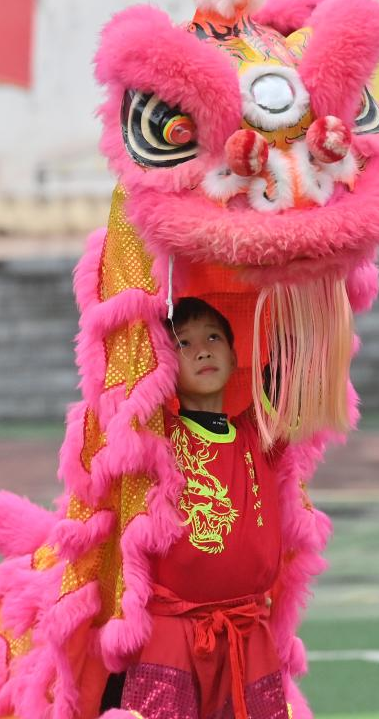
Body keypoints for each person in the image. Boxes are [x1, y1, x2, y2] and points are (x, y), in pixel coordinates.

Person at [117, 296, 290, 719]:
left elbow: (296, 363)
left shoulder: (259, 436)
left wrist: (297, 283)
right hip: (171, 635)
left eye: (214, 337)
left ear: (235, 356)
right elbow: (123, 376)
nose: (203, 350)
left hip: (248, 636)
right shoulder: (156, 435)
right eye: (183, 344)